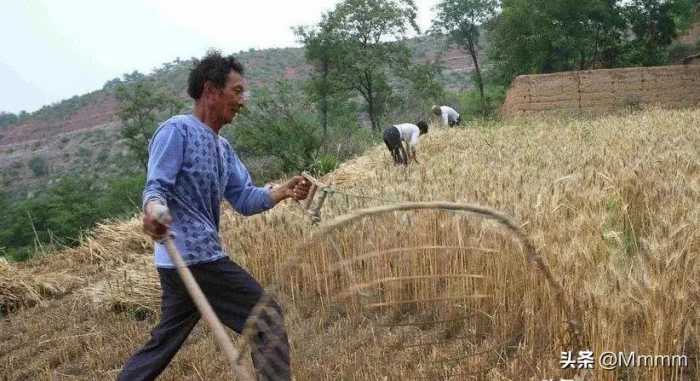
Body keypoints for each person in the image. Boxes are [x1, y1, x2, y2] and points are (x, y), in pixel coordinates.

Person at [118, 50, 310, 381]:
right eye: (236, 91)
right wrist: (154, 211)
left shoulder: (223, 148)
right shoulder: (177, 131)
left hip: (186, 263)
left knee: (162, 343)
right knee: (266, 318)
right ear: (210, 90)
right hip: (193, 256)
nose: (242, 100)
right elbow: (155, 187)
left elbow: (245, 198)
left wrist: (283, 192)